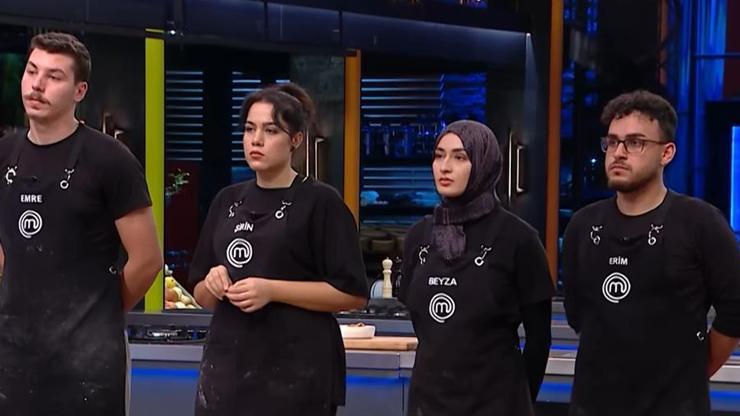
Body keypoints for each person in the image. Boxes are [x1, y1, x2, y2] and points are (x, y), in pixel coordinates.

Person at [0, 32, 162, 415]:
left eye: (54, 76)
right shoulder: (4, 153)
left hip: (88, 363)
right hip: (13, 358)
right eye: (32, 71)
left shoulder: (110, 160)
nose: (37, 85)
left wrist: (99, 312)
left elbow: (147, 259)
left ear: (79, 90)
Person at [189, 83, 368, 416]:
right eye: (249, 129)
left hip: (296, 373)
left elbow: (352, 293)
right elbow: (201, 293)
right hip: (227, 370)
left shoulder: (320, 202)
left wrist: (271, 290)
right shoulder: (227, 200)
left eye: (270, 131)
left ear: (296, 139)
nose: (256, 140)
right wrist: (212, 284)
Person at [563, 90, 740, 416]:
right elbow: (577, 314)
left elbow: (735, 310)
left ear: (666, 153)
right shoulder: (582, 225)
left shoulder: (700, 223)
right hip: (592, 404)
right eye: (612, 142)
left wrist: (692, 372)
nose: (618, 153)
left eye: (634, 143)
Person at [399, 120, 554, 416]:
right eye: (439, 155)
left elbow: (539, 340)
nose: (445, 167)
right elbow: (425, 326)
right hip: (428, 402)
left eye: (460, 157)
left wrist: (518, 401)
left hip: (495, 403)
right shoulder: (418, 236)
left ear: (484, 164)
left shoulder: (518, 238)